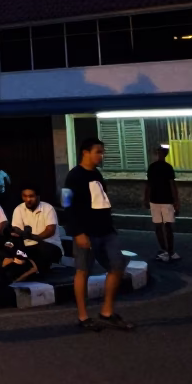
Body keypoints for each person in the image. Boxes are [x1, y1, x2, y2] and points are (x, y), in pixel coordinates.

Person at [64, 137, 133, 332]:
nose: (101, 156)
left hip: (106, 230)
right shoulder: (74, 176)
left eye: (102, 152)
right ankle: (83, 316)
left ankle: (107, 312)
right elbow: (67, 204)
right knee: (83, 271)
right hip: (86, 232)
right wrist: (77, 232)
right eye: (98, 152)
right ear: (85, 152)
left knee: (117, 265)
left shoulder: (97, 174)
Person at [10, 187, 63, 275]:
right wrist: (19, 232)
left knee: (40, 250)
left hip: (50, 245)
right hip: (29, 247)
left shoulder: (48, 208)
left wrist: (33, 237)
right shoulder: (18, 209)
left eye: (31, 196)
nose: (28, 199)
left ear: (38, 196)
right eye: (25, 196)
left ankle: (33, 269)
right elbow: (16, 229)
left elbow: (50, 230)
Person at [143, 146, 180, 262]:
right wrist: (176, 201)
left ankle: (166, 251)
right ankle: (169, 251)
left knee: (161, 226)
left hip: (158, 200)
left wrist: (146, 198)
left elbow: (149, 184)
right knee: (165, 226)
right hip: (164, 200)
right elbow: (172, 185)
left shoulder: (153, 167)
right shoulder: (167, 167)